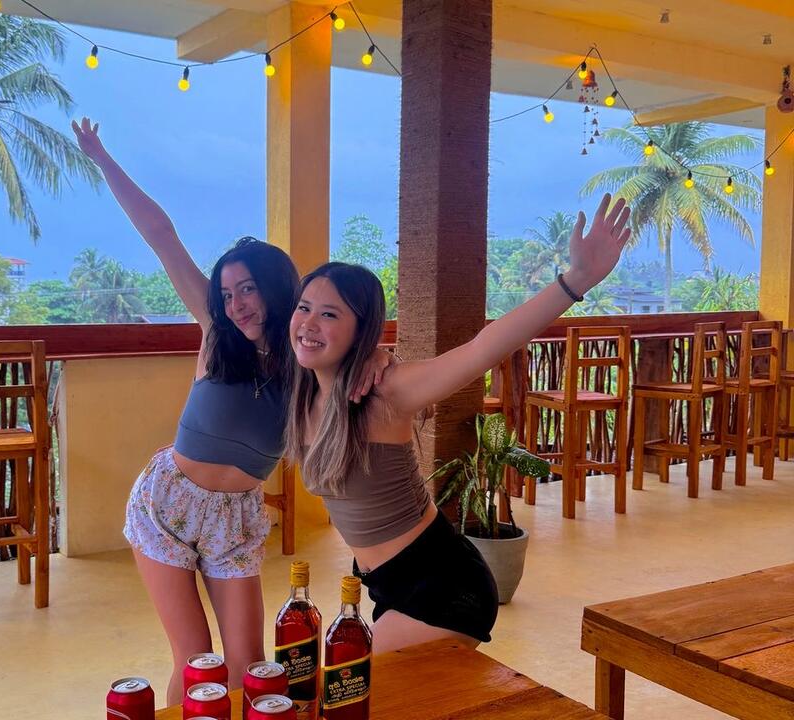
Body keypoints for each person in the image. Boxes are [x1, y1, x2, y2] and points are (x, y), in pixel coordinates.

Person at [71, 117, 391, 704]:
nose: (236, 304)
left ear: (276, 288)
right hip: (166, 504)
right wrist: (102, 158)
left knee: (249, 667)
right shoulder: (216, 335)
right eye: (226, 293)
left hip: (235, 518)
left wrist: (378, 354)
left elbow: (359, 340)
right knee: (197, 660)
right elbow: (161, 234)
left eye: (247, 289)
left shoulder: (309, 361)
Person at [285, 194, 631, 652]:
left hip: (444, 584)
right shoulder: (301, 395)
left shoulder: (385, 393)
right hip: (387, 586)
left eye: (329, 314)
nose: (309, 323)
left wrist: (577, 279)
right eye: (304, 308)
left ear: (361, 328)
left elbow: (481, 349)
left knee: (344, 680)